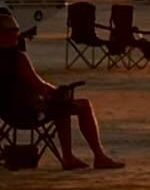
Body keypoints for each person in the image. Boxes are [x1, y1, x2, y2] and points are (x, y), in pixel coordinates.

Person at [0, 9, 124, 169]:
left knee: (60, 105)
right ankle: (95, 157)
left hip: (6, 113)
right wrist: (58, 91)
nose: (16, 35)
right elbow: (39, 86)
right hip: (27, 111)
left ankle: (69, 156)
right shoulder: (18, 58)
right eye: (12, 32)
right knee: (78, 105)